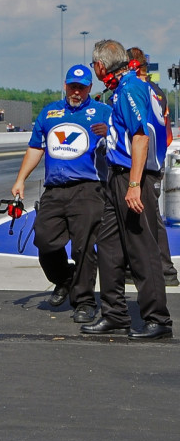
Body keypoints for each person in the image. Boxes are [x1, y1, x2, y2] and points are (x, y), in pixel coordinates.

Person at [82, 40, 173, 340]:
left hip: (132, 178)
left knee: (141, 249)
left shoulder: (130, 88)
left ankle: (158, 318)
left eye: (94, 64)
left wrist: (134, 185)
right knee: (107, 246)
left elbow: (141, 138)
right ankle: (115, 314)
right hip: (116, 176)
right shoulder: (122, 90)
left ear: (100, 65)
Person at [10, 65, 110, 322]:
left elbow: (125, 141)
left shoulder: (102, 112)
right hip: (54, 189)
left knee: (83, 246)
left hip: (88, 188)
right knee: (44, 239)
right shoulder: (50, 112)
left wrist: (111, 134)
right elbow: (35, 148)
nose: (76, 91)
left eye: (82, 87)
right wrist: (21, 179)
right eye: (72, 86)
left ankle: (85, 301)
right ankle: (65, 279)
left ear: (90, 87)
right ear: (65, 85)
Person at [127, 47, 180, 288]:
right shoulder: (159, 92)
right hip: (155, 160)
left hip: (142, 162)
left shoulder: (137, 90)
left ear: (131, 67)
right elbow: (167, 135)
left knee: (149, 217)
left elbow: (136, 130)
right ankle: (155, 267)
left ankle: (165, 269)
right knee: (147, 216)